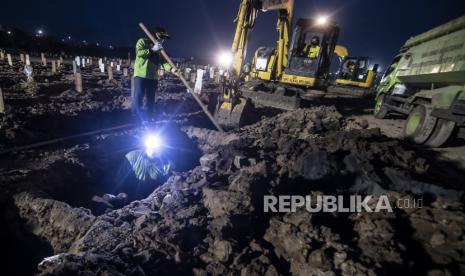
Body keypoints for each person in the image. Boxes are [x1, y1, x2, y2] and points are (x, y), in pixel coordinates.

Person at [133, 27, 178, 122]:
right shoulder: (142, 41)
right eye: (161, 36)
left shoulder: (160, 49)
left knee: (151, 98)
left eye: (164, 38)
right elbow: (139, 53)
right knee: (139, 96)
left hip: (152, 77)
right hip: (141, 74)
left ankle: (149, 118)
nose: (162, 39)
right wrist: (152, 50)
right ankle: (135, 117)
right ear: (156, 34)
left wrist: (172, 69)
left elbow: (164, 62)